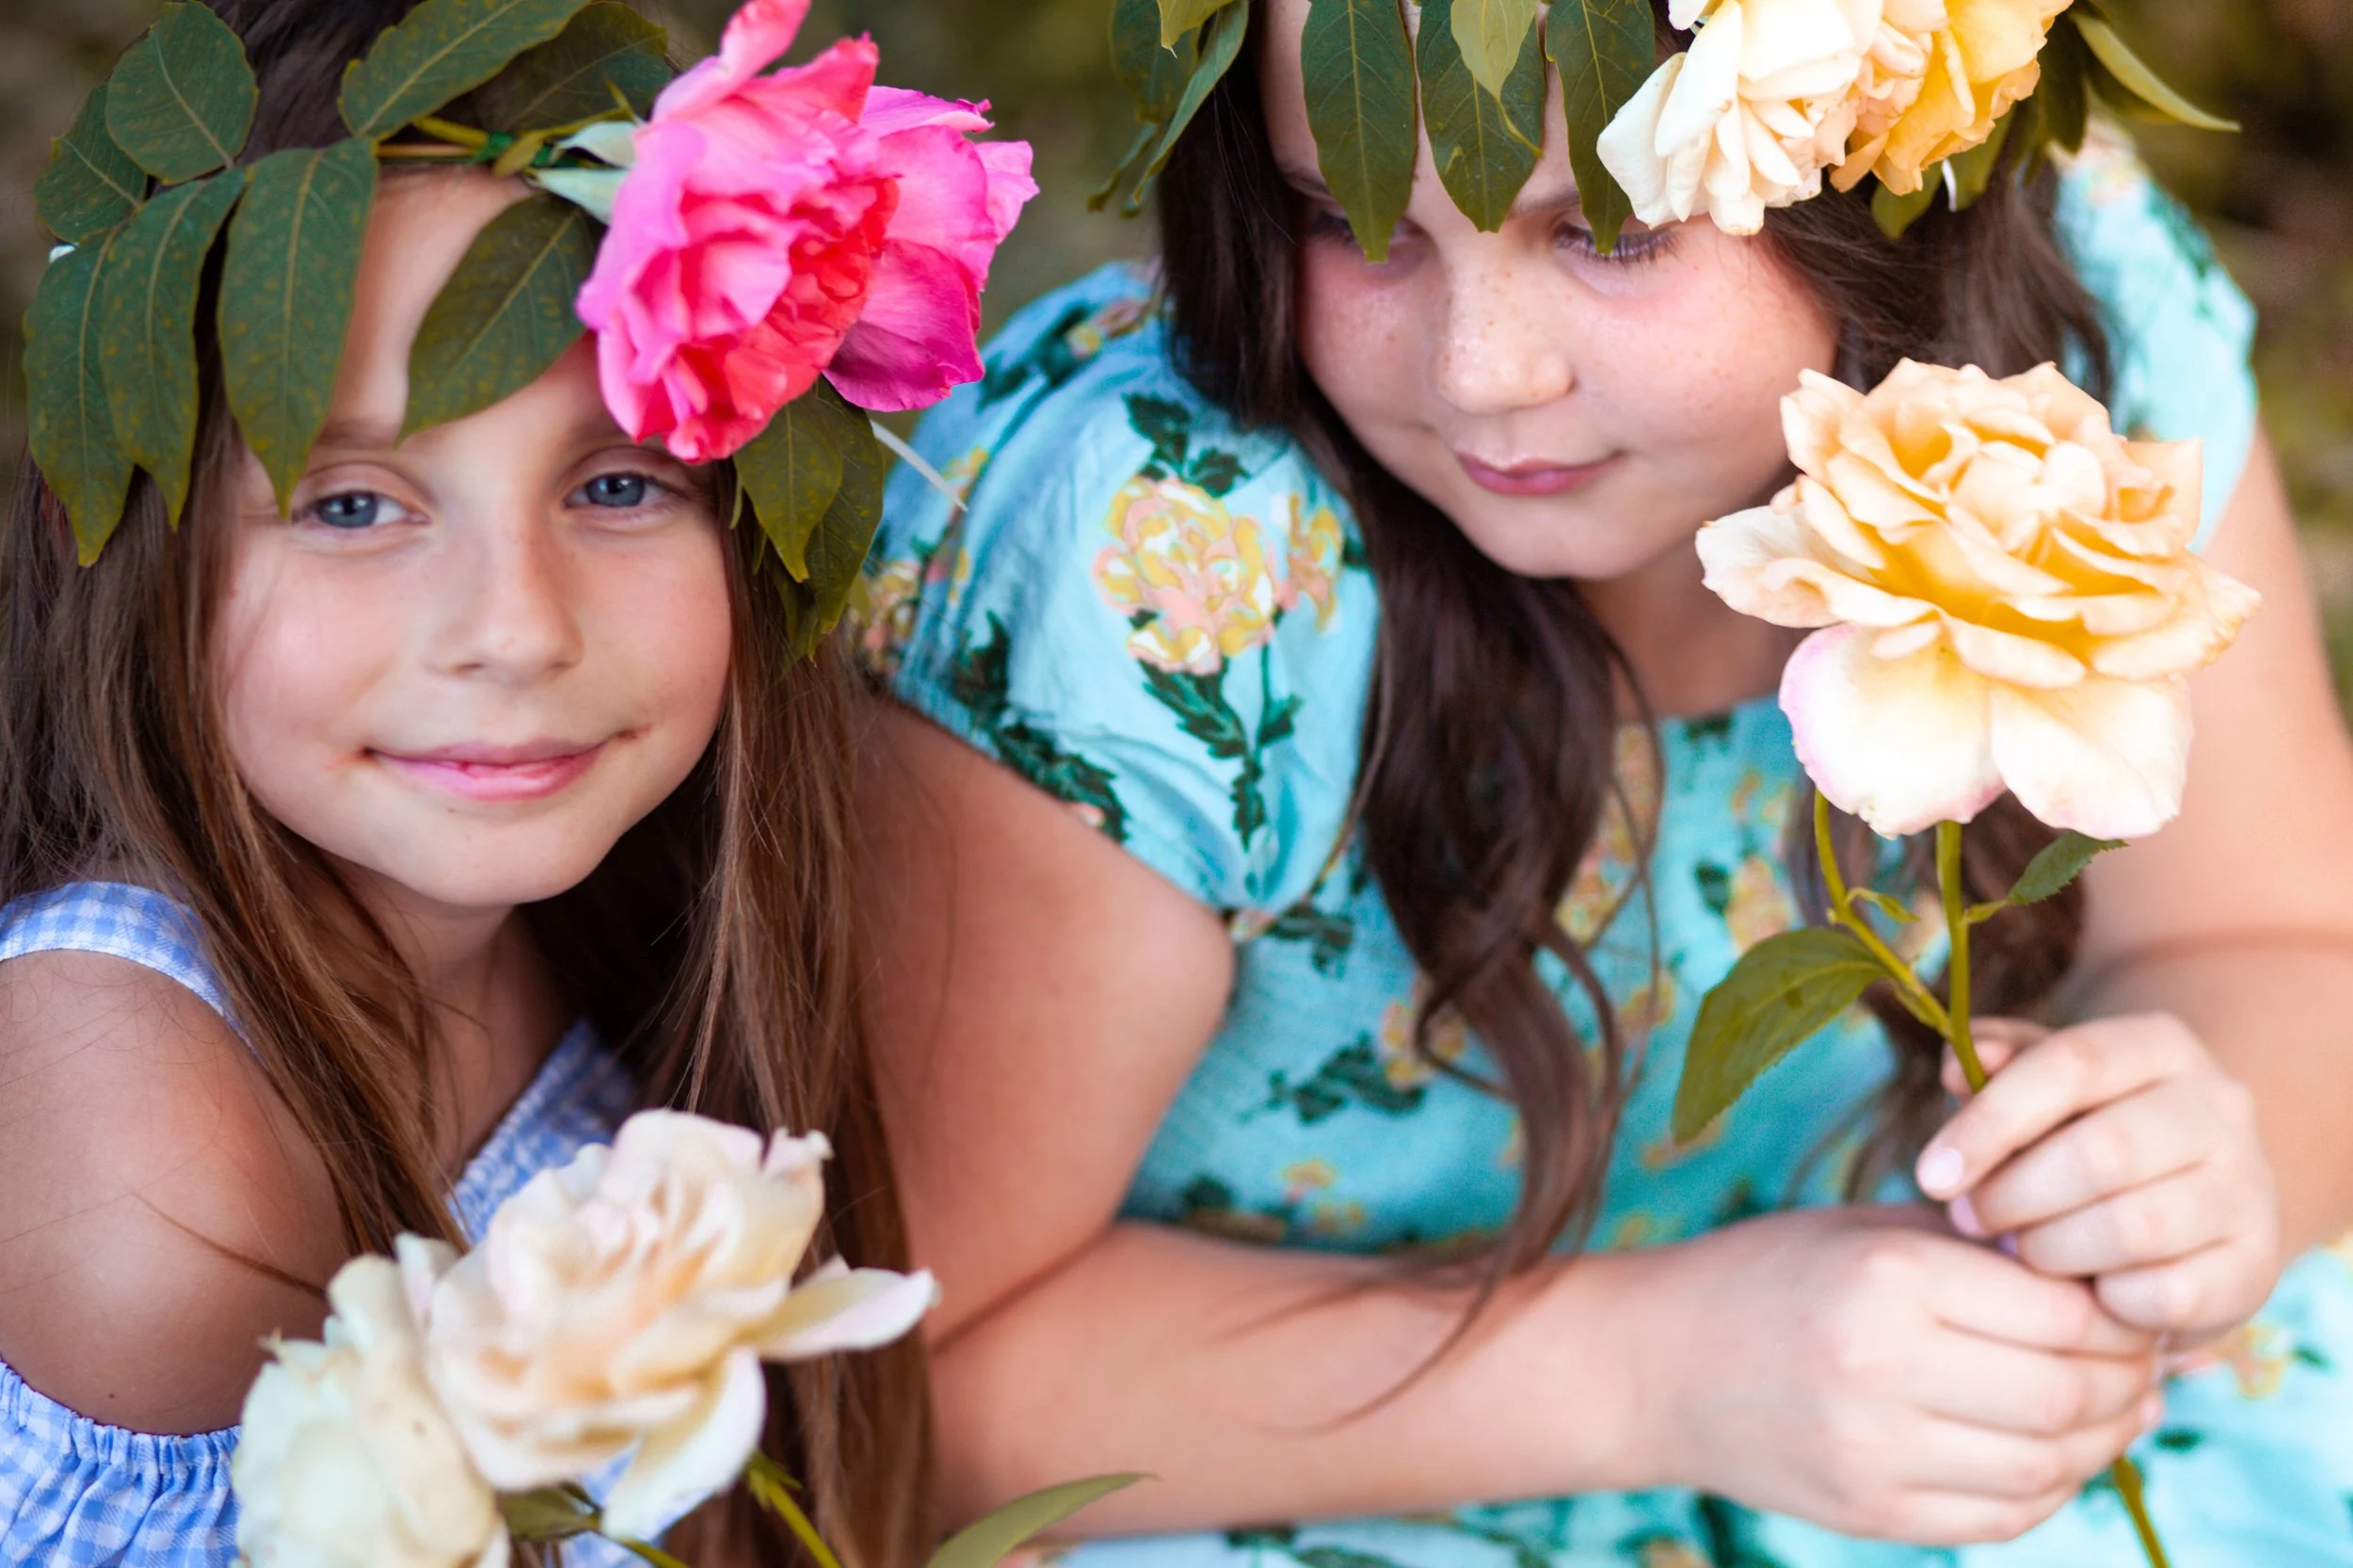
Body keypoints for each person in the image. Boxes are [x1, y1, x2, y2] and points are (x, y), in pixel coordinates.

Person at [850, 0, 2353, 1562]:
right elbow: (914, 1374)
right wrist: (1667, 1365)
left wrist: (2207, 1161)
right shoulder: (1164, 563)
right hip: (1302, 1480)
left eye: (1618, 229)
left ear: (1885, 187)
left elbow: (2282, 942)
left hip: (1930, 1414)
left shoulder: (2064, 368)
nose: (1479, 371)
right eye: (1347, 212)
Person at [0, 2, 958, 1562]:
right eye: (356, 504)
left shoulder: (580, 936)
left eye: (619, 483)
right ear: (114, 533)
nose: (516, 629)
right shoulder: (145, 1152)